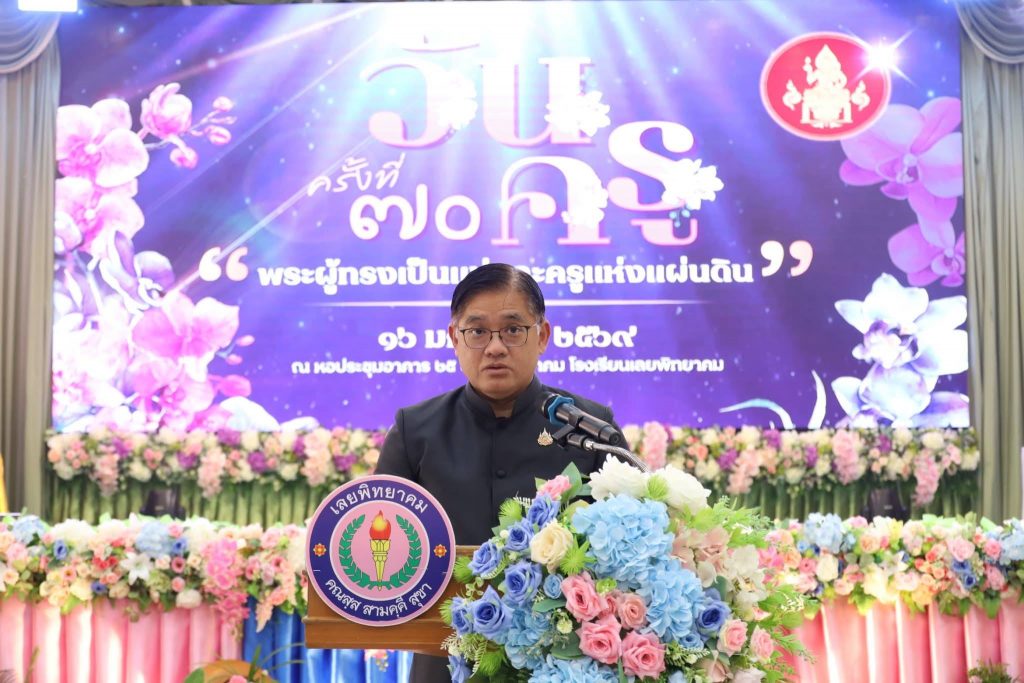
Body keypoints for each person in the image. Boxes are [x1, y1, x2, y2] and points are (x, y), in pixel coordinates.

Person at [374, 262, 621, 683]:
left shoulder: (590, 428)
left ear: (542, 336)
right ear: (454, 338)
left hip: (563, 663)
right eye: (477, 331)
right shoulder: (416, 431)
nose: (495, 347)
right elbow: (376, 539)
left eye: (512, 330)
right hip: (443, 662)